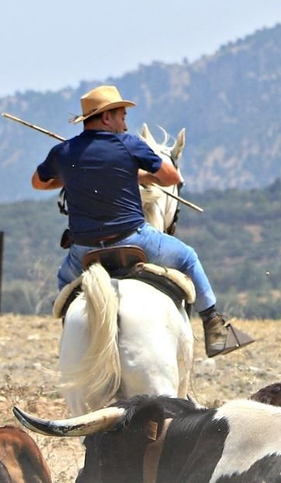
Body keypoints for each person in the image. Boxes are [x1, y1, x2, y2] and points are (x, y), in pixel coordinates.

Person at [32, 85, 255, 357]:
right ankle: (214, 327)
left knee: (63, 283)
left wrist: (69, 178)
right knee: (188, 257)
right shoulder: (129, 145)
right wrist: (138, 175)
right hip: (133, 239)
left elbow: (37, 183)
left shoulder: (63, 152)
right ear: (106, 117)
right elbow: (172, 178)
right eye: (123, 117)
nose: (125, 125)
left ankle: (73, 338)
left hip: (84, 250)